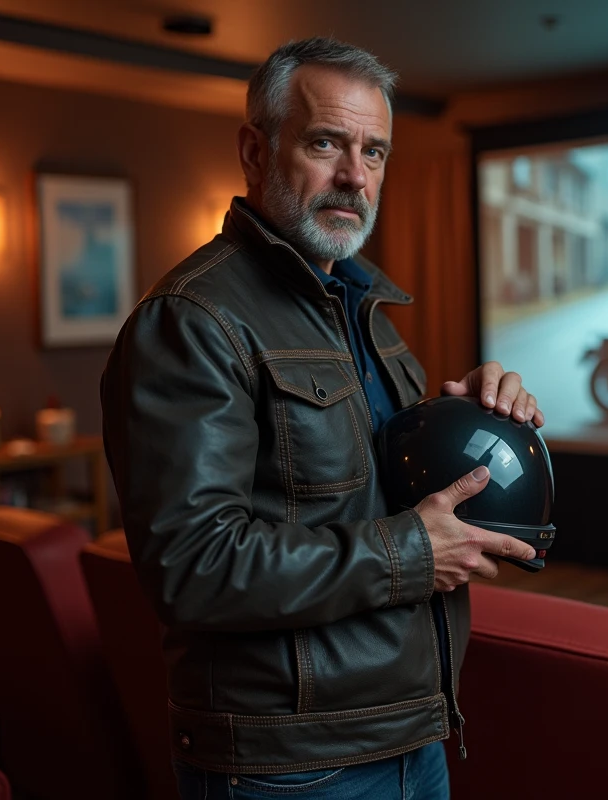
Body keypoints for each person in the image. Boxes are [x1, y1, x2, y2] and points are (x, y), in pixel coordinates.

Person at [99, 37, 545, 800]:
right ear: (255, 149)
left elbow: (359, 493)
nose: (354, 176)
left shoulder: (359, 306)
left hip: (409, 733)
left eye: (374, 153)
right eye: (325, 143)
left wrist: (468, 419)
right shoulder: (193, 320)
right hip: (292, 766)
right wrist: (411, 553)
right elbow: (193, 566)